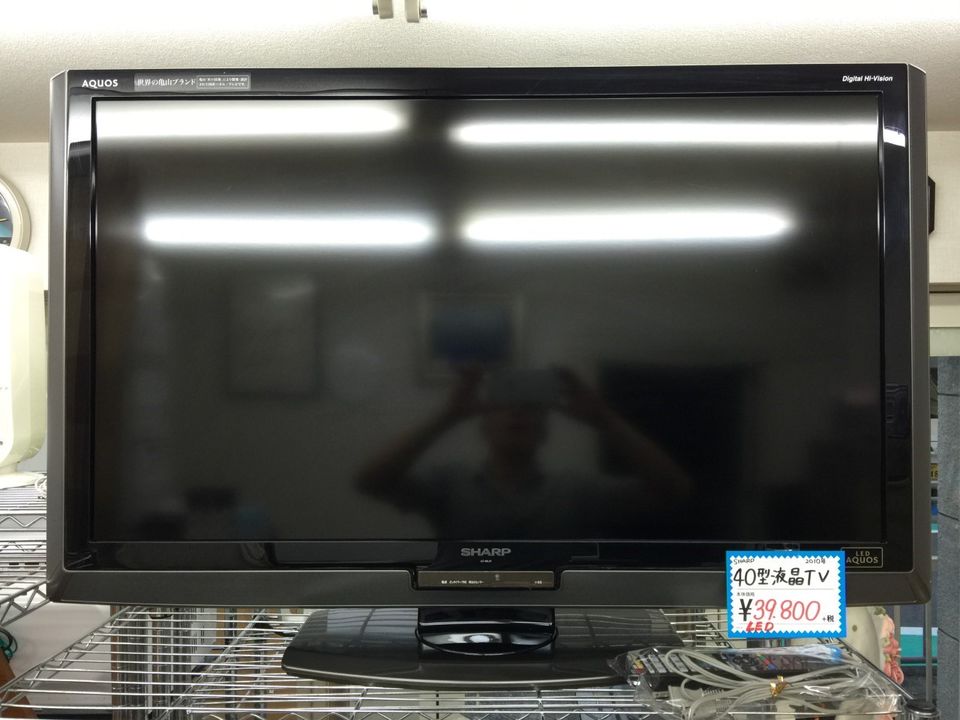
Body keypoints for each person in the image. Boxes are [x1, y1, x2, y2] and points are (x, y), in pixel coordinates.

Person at [356, 366, 692, 537]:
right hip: (458, 614)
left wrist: (604, 419)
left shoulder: (577, 489)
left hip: (559, 620)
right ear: (483, 425)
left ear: (545, 428)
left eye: (530, 407)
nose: (517, 413)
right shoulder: (448, 482)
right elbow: (371, 482)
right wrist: (448, 415)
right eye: (505, 405)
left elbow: (674, 491)